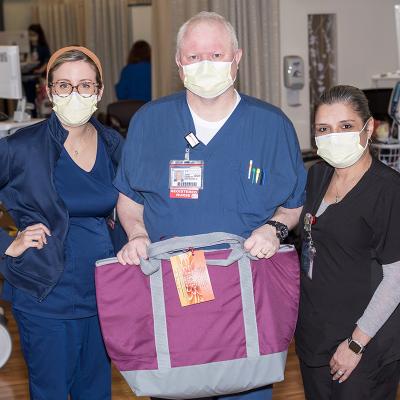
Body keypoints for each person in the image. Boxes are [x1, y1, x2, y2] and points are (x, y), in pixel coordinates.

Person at [114, 11, 306, 400]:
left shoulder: (271, 126)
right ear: (179, 64)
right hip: (176, 285)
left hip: (246, 289)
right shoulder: (151, 122)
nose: (206, 65)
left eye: (216, 55)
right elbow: (129, 200)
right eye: (194, 56)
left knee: (246, 389)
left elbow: (292, 205)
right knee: (178, 387)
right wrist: (136, 234)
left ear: (238, 57)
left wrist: (275, 229)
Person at [0, 46, 123, 399]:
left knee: (96, 392)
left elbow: (133, 209)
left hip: (103, 293)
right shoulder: (21, 148)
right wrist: (8, 243)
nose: (75, 93)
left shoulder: (114, 144)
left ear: (99, 92)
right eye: (64, 85)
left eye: (85, 85)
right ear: (50, 91)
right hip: (46, 295)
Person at [296, 85, 400, 399]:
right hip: (315, 338)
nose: (334, 136)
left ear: (368, 128)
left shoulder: (388, 190)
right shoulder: (317, 177)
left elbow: (396, 277)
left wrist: (356, 343)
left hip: (365, 346)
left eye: (345, 126)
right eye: (323, 129)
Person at [23, 24, 51, 116]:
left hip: (39, 77)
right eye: (30, 35)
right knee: (30, 99)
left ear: (39, 35)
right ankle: (33, 116)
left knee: (42, 98)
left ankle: (44, 116)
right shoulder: (26, 47)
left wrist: (40, 70)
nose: (32, 38)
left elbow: (47, 60)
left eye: (34, 35)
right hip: (28, 76)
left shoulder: (43, 47)